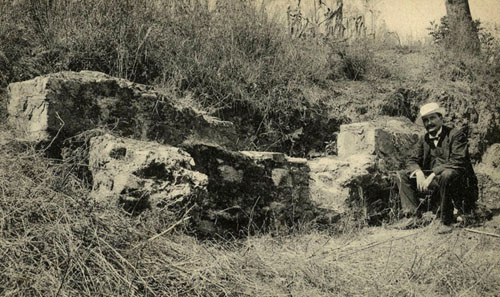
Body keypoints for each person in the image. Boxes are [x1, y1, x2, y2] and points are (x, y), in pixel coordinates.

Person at [395, 102, 477, 233]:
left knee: (447, 174)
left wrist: (433, 173)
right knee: (402, 175)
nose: (429, 123)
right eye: (425, 120)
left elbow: (458, 161)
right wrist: (418, 172)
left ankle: (446, 221)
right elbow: (411, 159)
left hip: (459, 185)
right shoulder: (424, 139)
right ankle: (413, 217)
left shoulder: (456, 135)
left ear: (441, 118)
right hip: (436, 185)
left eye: (432, 118)